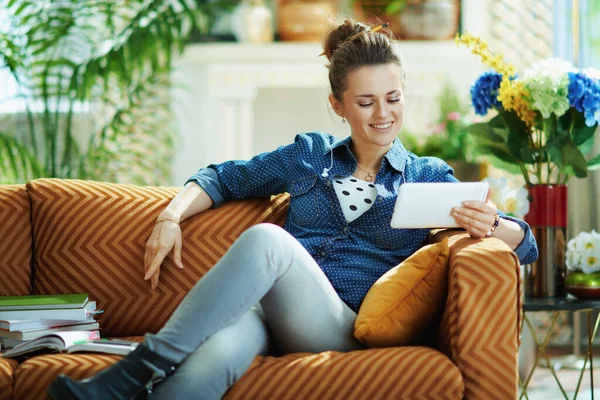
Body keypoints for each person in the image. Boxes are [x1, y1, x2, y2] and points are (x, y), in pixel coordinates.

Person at [47, 19, 538, 400]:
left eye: (393, 98)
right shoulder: (309, 154)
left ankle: (134, 371)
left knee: (267, 240)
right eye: (365, 102)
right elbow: (223, 177)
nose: (383, 114)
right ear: (337, 105)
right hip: (271, 316)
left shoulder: (426, 174)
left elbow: (527, 243)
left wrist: (493, 224)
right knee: (211, 362)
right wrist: (170, 216)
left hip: (344, 326)